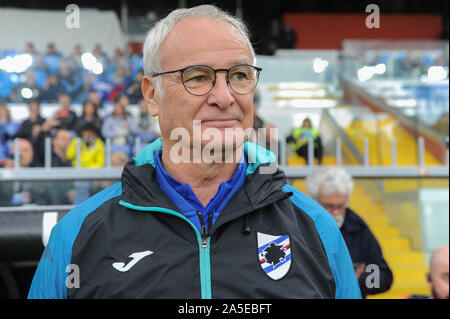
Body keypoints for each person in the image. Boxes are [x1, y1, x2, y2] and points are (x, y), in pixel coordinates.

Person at [28, 5, 360, 299]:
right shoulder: (77, 235)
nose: (225, 97)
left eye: (240, 76)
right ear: (151, 94)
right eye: (198, 77)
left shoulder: (317, 229)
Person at [305, 167, 393, 298]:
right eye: (329, 206)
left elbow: (384, 278)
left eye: (340, 206)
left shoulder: (358, 229)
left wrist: (357, 279)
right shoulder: (301, 225)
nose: (335, 212)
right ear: (314, 201)